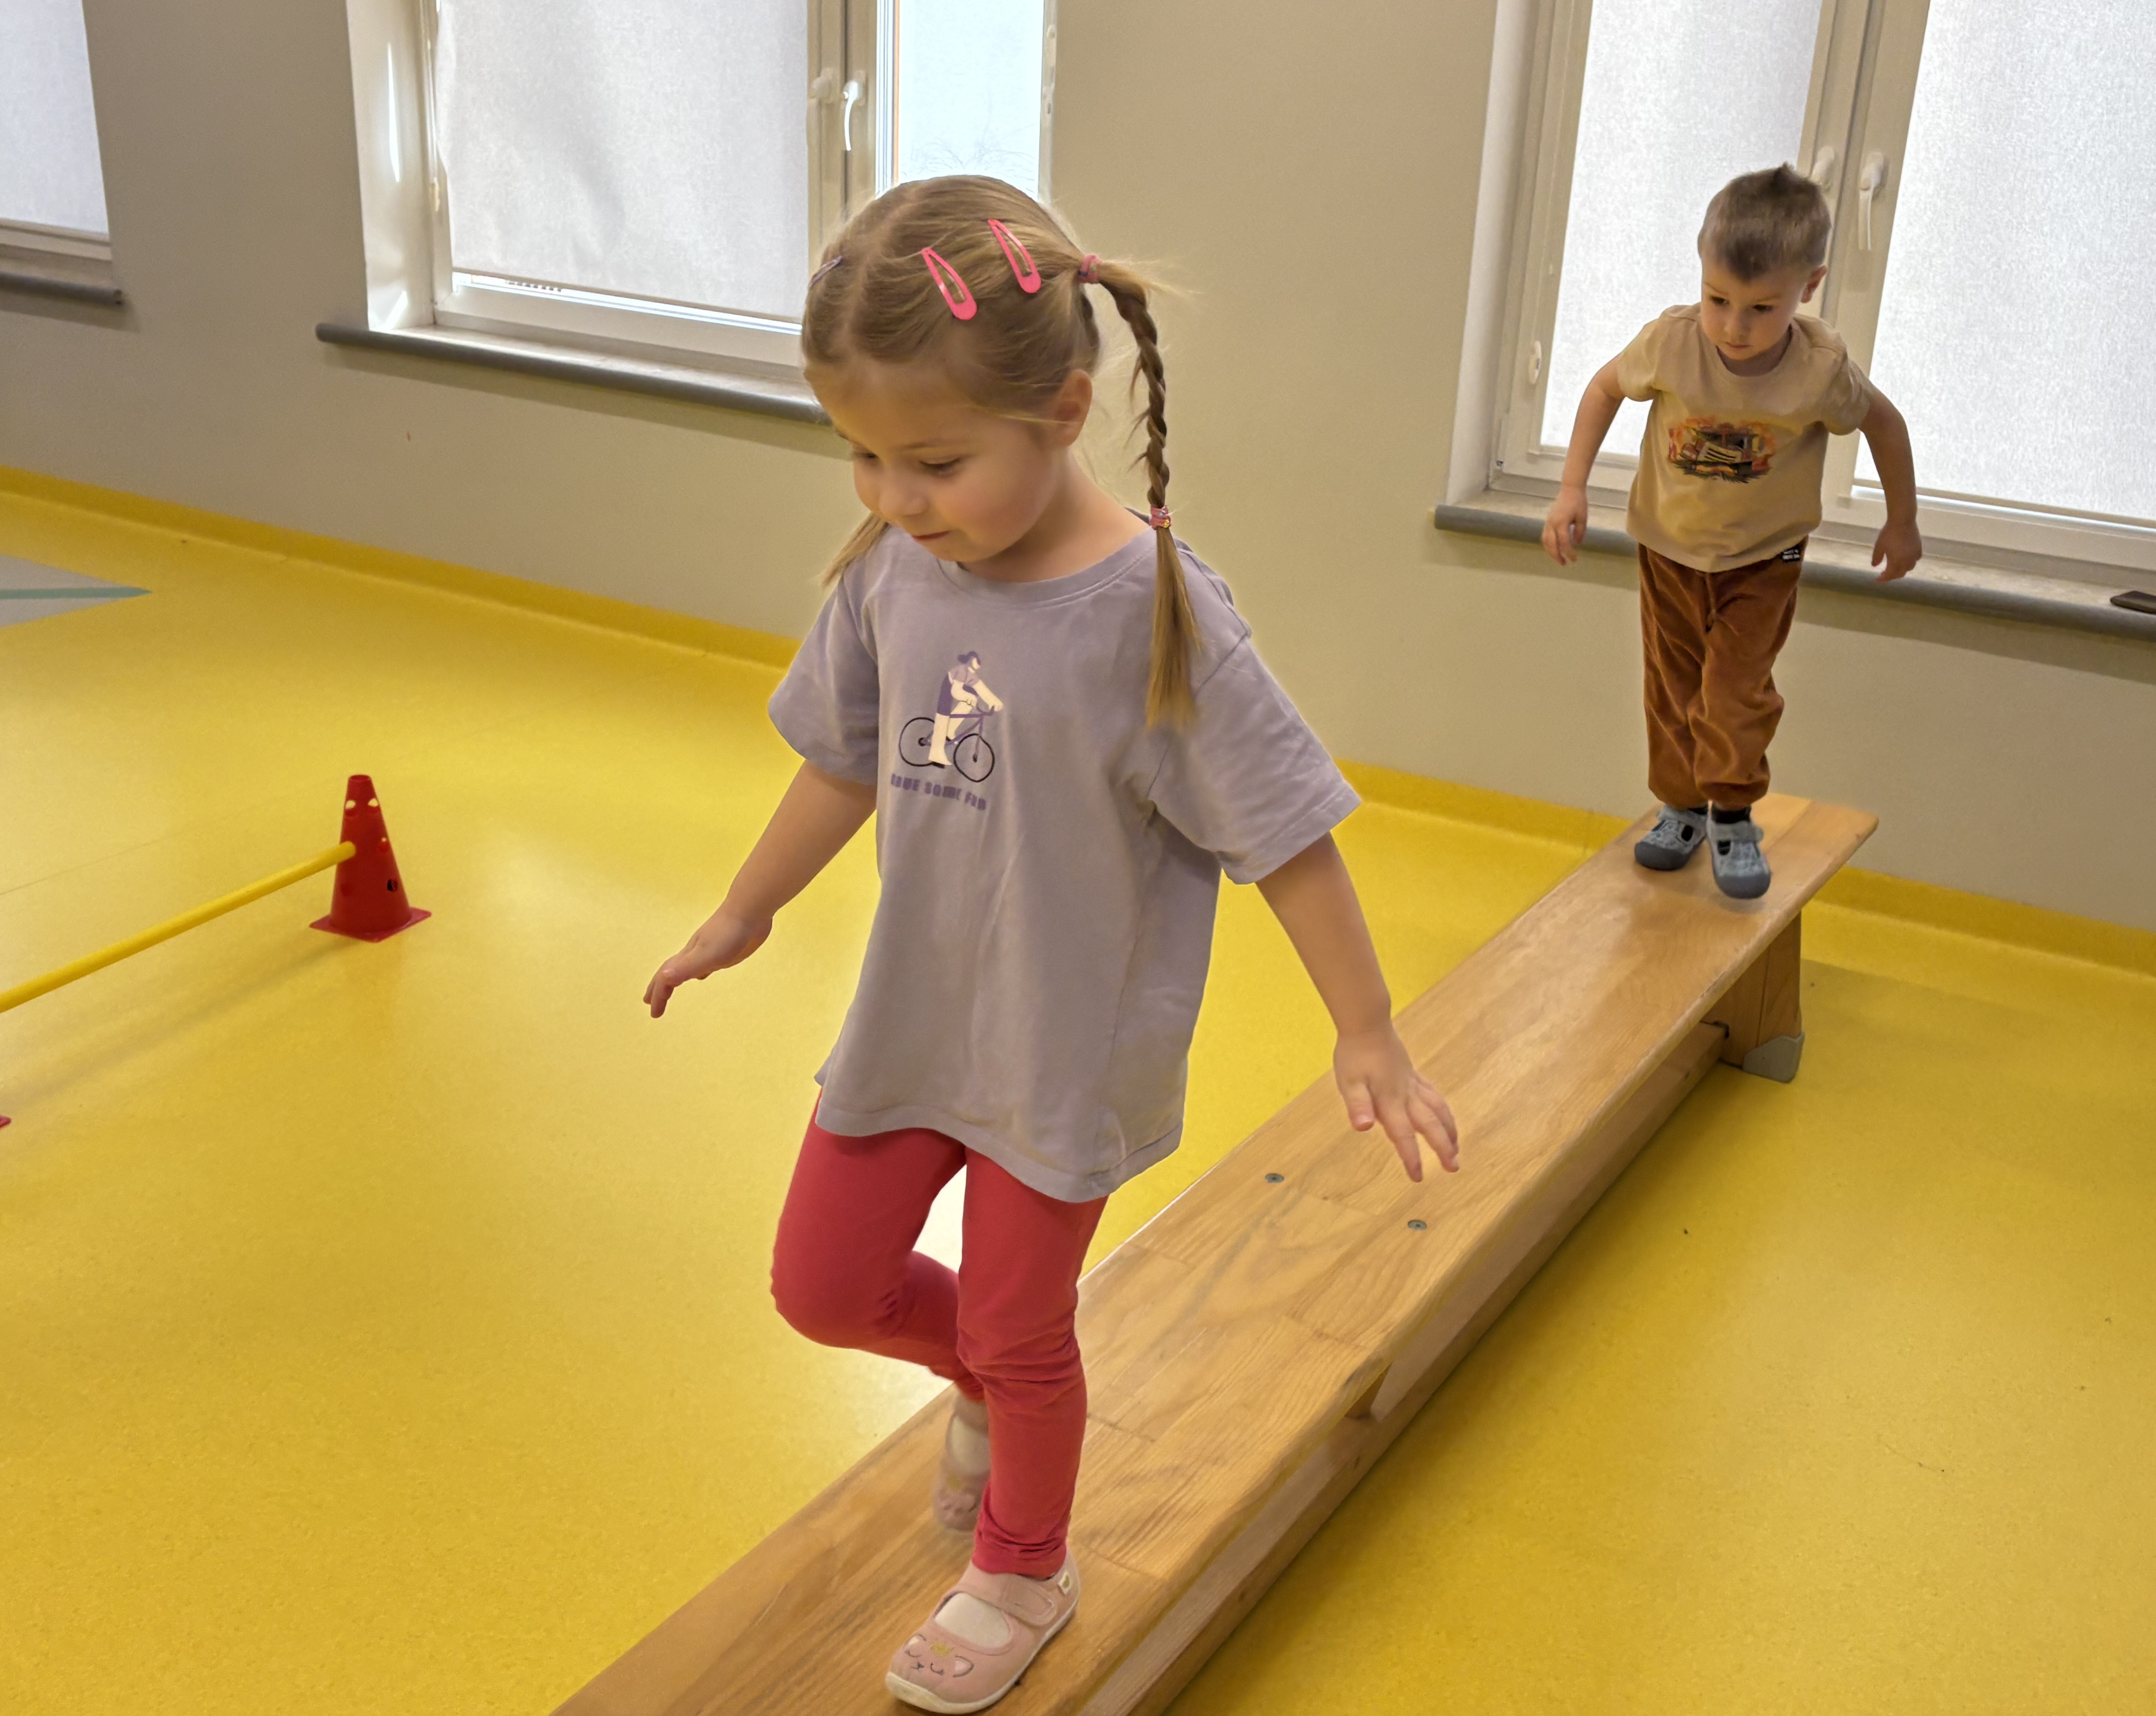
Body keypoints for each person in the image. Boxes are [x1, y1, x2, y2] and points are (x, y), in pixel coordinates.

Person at [643, 176, 1458, 1714]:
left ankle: (1024, 1563)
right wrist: (746, 909)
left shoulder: (1154, 611)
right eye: (863, 454)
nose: (894, 495)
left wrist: (1366, 1028)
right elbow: (841, 761)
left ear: (1065, 410)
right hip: (916, 1018)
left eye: (935, 461)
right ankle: (987, 1387)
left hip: (1065, 1044)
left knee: (1022, 1321)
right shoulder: (894, 571)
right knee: (822, 1284)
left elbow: (1285, 827)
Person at [1542, 164, 1922, 898]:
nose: (1733, 327)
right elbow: (1604, 389)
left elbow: (1885, 423)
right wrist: (1571, 488)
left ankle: (1734, 814)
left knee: (1734, 692)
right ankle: (1681, 807)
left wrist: (1901, 520)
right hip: (1669, 548)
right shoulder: (1672, 342)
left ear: (1808, 287)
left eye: (1760, 308)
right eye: (1718, 300)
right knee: (1673, 686)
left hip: (1764, 557)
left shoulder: (1818, 368)